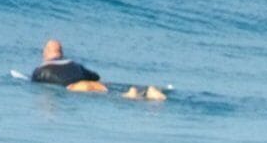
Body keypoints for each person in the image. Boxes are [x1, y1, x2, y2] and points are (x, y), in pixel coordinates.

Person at [29, 39, 165, 100]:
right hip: (94, 84)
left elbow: (35, 83)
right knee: (111, 92)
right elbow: (96, 76)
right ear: (62, 52)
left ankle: (133, 94)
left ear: (45, 52)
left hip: (77, 87)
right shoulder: (74, 64)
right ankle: (147, 91)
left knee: (121, 98)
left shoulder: (40, 70)